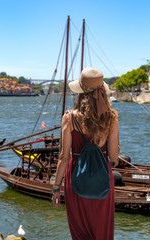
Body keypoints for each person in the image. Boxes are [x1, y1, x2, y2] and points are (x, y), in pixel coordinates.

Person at [51, 67, 120, 240]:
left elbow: (64, 157)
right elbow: (113, 156)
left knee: (80, 230)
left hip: (76, 175)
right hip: (102, 178)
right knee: (101, 231)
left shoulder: (70, 117)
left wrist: (55, 187)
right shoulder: (111, 117)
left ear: (80, 92)